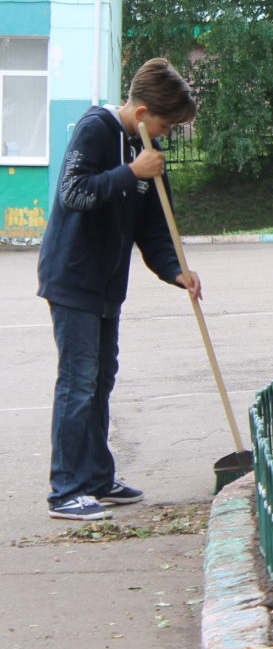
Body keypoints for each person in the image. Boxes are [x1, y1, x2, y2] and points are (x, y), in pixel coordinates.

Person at [38, 58, 201, 520]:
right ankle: (66, 489)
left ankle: (95, 478)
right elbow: (74, 193)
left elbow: (153, 226)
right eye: (166, 124)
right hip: (73, 277)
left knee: (101, 380)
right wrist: (132, 171)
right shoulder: (96, 129)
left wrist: (175, 270)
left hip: (109, 284)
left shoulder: (145, 148)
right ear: (144, 110)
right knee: (79, 381)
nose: (167, 134)